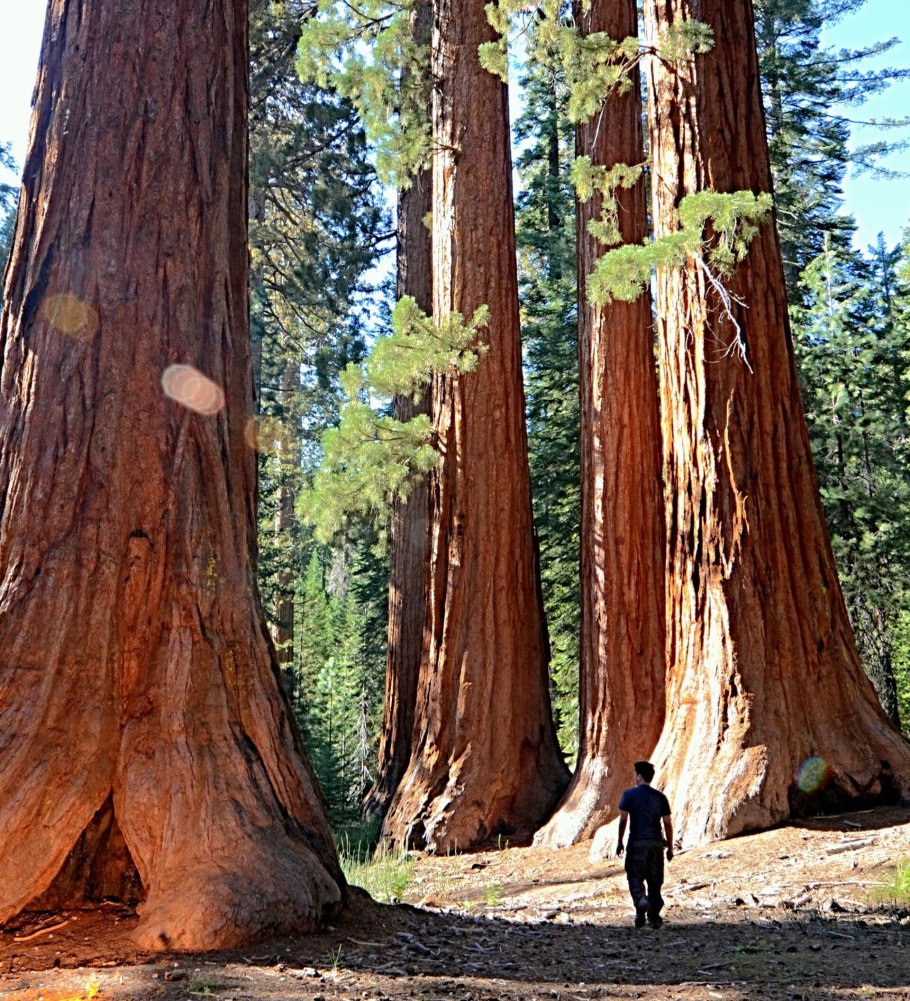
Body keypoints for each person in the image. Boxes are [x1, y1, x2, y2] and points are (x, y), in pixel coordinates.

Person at [616, 760, 673, 928]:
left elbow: (623, 820)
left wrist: (619, 842)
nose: (634, 777)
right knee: (655, 881)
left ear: (639, 776)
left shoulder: (628, 795)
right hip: (656, 844)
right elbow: (667, 824)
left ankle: (640, 901)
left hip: (636, 844)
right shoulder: (660, 797)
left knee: (635, 876)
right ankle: (653, 917)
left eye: (635, 774)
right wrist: (670, 847)